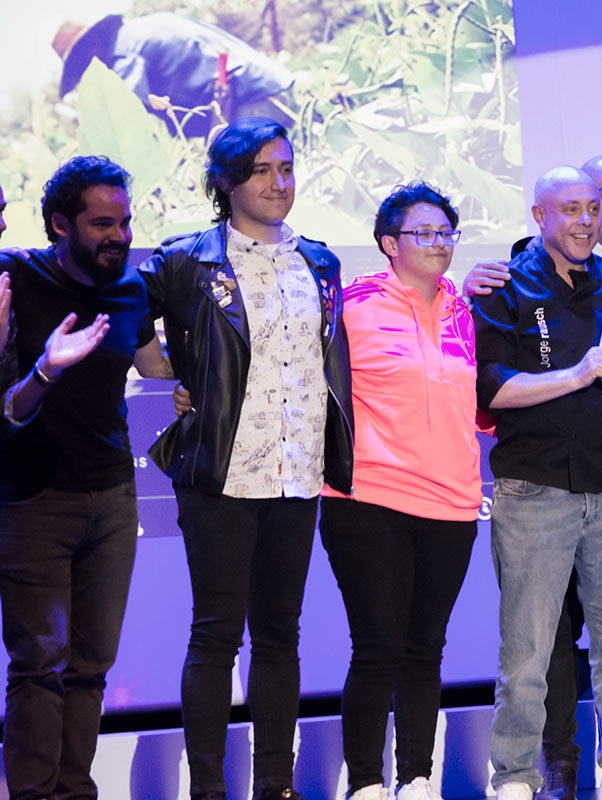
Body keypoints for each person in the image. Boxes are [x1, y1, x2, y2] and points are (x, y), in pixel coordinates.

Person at [139, 117, 354, 800]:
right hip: (220, 474)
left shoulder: (319, 260)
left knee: (281, 636)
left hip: (297, 472)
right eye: (262, 170)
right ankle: (208, 788)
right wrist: (167, 371)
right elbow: (126, 312)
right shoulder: (187, 259)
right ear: (228, 180)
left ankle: (275, 785)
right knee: (215, 635)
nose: (278, 182)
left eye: (286, 168)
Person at [472, 165, 602, 800]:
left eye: (593, 208)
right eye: (572, 209)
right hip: (533, 488)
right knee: (527, 651)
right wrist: (578, 373)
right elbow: (491, 390)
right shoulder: (505, 284)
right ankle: (513, 776)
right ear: (540, 216)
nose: (587, 221)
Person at [0, 158, 171, 800]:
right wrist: (45, 369)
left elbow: (155, 365)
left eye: (125, 222)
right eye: (102, 224)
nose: (119, 236)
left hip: (113, 497)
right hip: (33, 499)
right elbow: (7, 408)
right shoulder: (15, 278)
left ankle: (75, 790)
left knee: (92, 665)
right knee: (39, 664)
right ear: (59, 224)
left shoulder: (130, 288)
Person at [317, 182, 482, 800]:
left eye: (446, 233)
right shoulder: (352, 305)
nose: (439, 243)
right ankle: (364, 783)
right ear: (390, 244)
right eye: (424, 233)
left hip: (453, 503)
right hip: (370, 500)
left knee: (425, 650)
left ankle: (416, 778)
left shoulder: (467, 310)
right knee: (377, 647)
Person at [53, 13, 292, 138]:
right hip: (275, 88)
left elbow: (127, 120)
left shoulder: (124, 55)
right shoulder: (143, 27)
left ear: (94, 42)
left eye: (81, 61)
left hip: (254, 106)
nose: (86, 71)